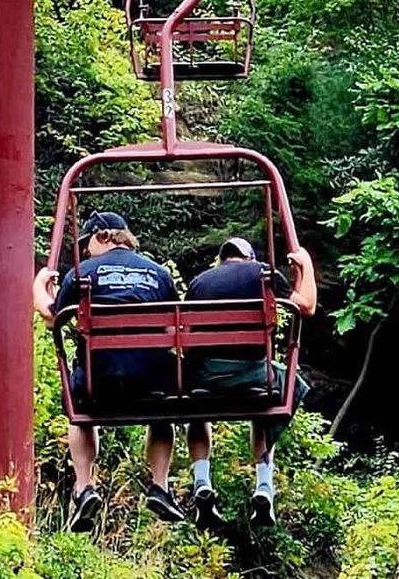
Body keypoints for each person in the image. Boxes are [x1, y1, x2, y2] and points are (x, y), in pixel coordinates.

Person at [33, 211, 187, 532]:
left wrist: (39, 287)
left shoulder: (83, 273)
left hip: (97, 384)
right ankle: (160, 484)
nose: (85, 252)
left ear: (103, 236)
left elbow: (52, 318)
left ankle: (84, 486)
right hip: (152, 384)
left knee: (79, 413)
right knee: (163, 413)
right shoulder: (159, 275)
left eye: (87, 244)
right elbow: (177, 323)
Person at [183, 236, 317, 529]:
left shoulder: (199, 283)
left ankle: (202, 481)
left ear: (224, 259)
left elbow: (187, 333)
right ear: (249, 257)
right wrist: (306, 267)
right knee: (274, 397)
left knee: (197, 409)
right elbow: (306, 306)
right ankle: (264, 485)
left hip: (207, 377)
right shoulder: (264, 273)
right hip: (253, 376)